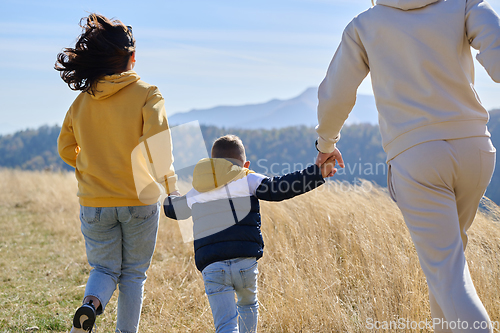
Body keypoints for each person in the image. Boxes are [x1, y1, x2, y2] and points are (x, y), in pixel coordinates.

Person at [315, 0, 499, 332]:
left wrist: (326, 144)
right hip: (476, 149)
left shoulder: (364, 25)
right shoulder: (464, 4)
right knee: (445, 270)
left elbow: (335, 95)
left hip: (416, 156)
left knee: (447, 274)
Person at [56, 13, 178, 333]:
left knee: (104, 268)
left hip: (95, 202)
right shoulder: (148, 94)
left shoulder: (82, 102)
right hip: (140, 200)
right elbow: (159, 149)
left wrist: (88, 166)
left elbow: (65, 148)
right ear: (132, 59)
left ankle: (90, 305)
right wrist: (171, 186)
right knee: (134, 275)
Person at [163, 135, 336, 333]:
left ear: (211, 163)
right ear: (245, 163)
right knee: (248, 305)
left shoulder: (197, 191)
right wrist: (317, 173)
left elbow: (174, 210)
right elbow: (280, 188)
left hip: (212, 267)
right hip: (244, 262)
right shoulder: (247, 177)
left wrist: (171, 195)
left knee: (226, 324)